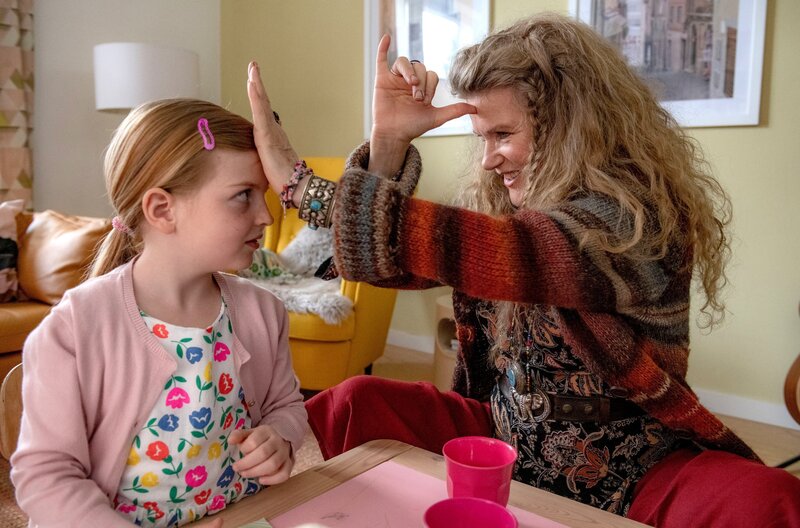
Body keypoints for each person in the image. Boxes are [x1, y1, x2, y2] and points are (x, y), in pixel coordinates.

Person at [246, 12, 800, 527]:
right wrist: (387, 145)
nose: (489, 159)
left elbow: (508, 252)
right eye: (483, 138)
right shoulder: (511, 209)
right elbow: (393, 264)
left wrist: (302, 188)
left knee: (766, 499)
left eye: (503, 135)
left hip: (633, 466)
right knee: (358, 400)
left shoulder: (638, 219)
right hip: (505, 439)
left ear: (569, 127)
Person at [11, 99, 308, 527]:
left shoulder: (263, 311)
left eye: (263, 195)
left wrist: (281, 437)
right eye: (243, 195)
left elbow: (287, 405)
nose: (266, 216)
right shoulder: (75, 328)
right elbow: (46, 479)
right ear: (163, 210)